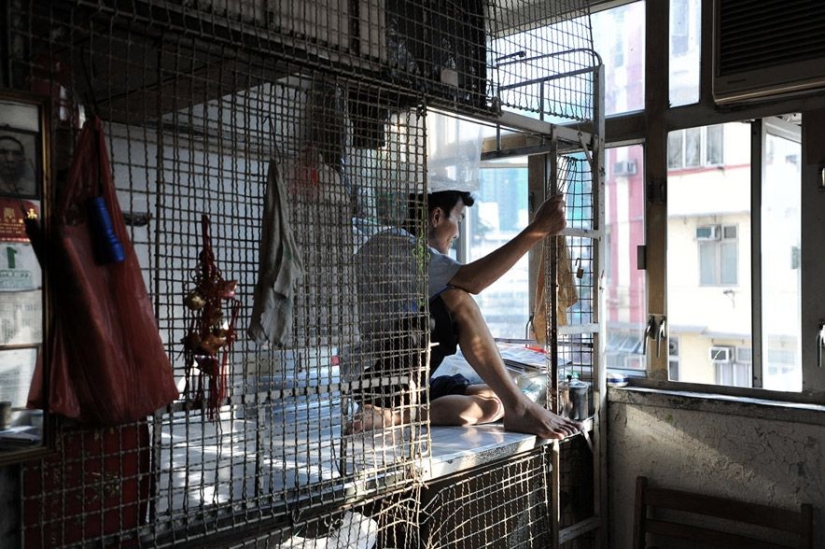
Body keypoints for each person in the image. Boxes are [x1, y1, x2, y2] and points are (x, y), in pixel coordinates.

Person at [353, 189, 582, 440]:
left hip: (402, 382)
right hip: (374, 380)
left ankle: (393, 416)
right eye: (459, 219)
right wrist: (537, 230)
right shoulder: (394, 244)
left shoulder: (414, 254)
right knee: (456, 297)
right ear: (437, 216)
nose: (458, 233)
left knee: (495, 399)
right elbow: (473, 280)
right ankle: (520, 408)